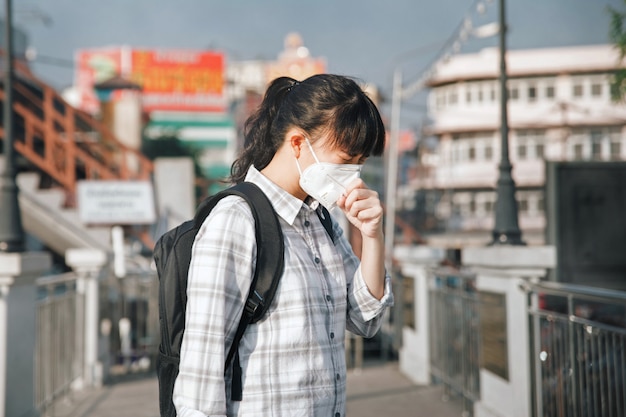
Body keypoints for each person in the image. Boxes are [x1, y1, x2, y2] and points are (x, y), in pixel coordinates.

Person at [173, 73, 393, 417]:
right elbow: (201, 371)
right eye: (346, 160)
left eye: (360, 163)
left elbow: (365, 319)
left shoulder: (321, 220)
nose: (354, 174)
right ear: (297, 144)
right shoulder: (237, 219)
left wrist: (373, 235)